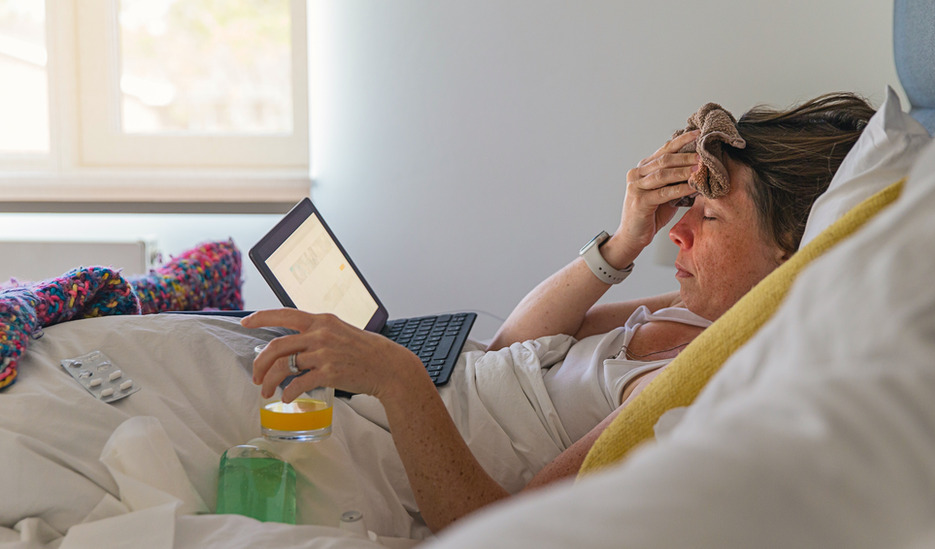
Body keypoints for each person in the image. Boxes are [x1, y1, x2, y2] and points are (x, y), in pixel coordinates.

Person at [242, 92, 875, 533]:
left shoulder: (695, 385)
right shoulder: (700, 313)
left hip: (391, 446)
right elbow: (516, 345)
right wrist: (623, 242)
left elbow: (497, 528)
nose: (678, 232)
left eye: (710, 216)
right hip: (412, 396)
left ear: (789, 255)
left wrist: (396, 375)